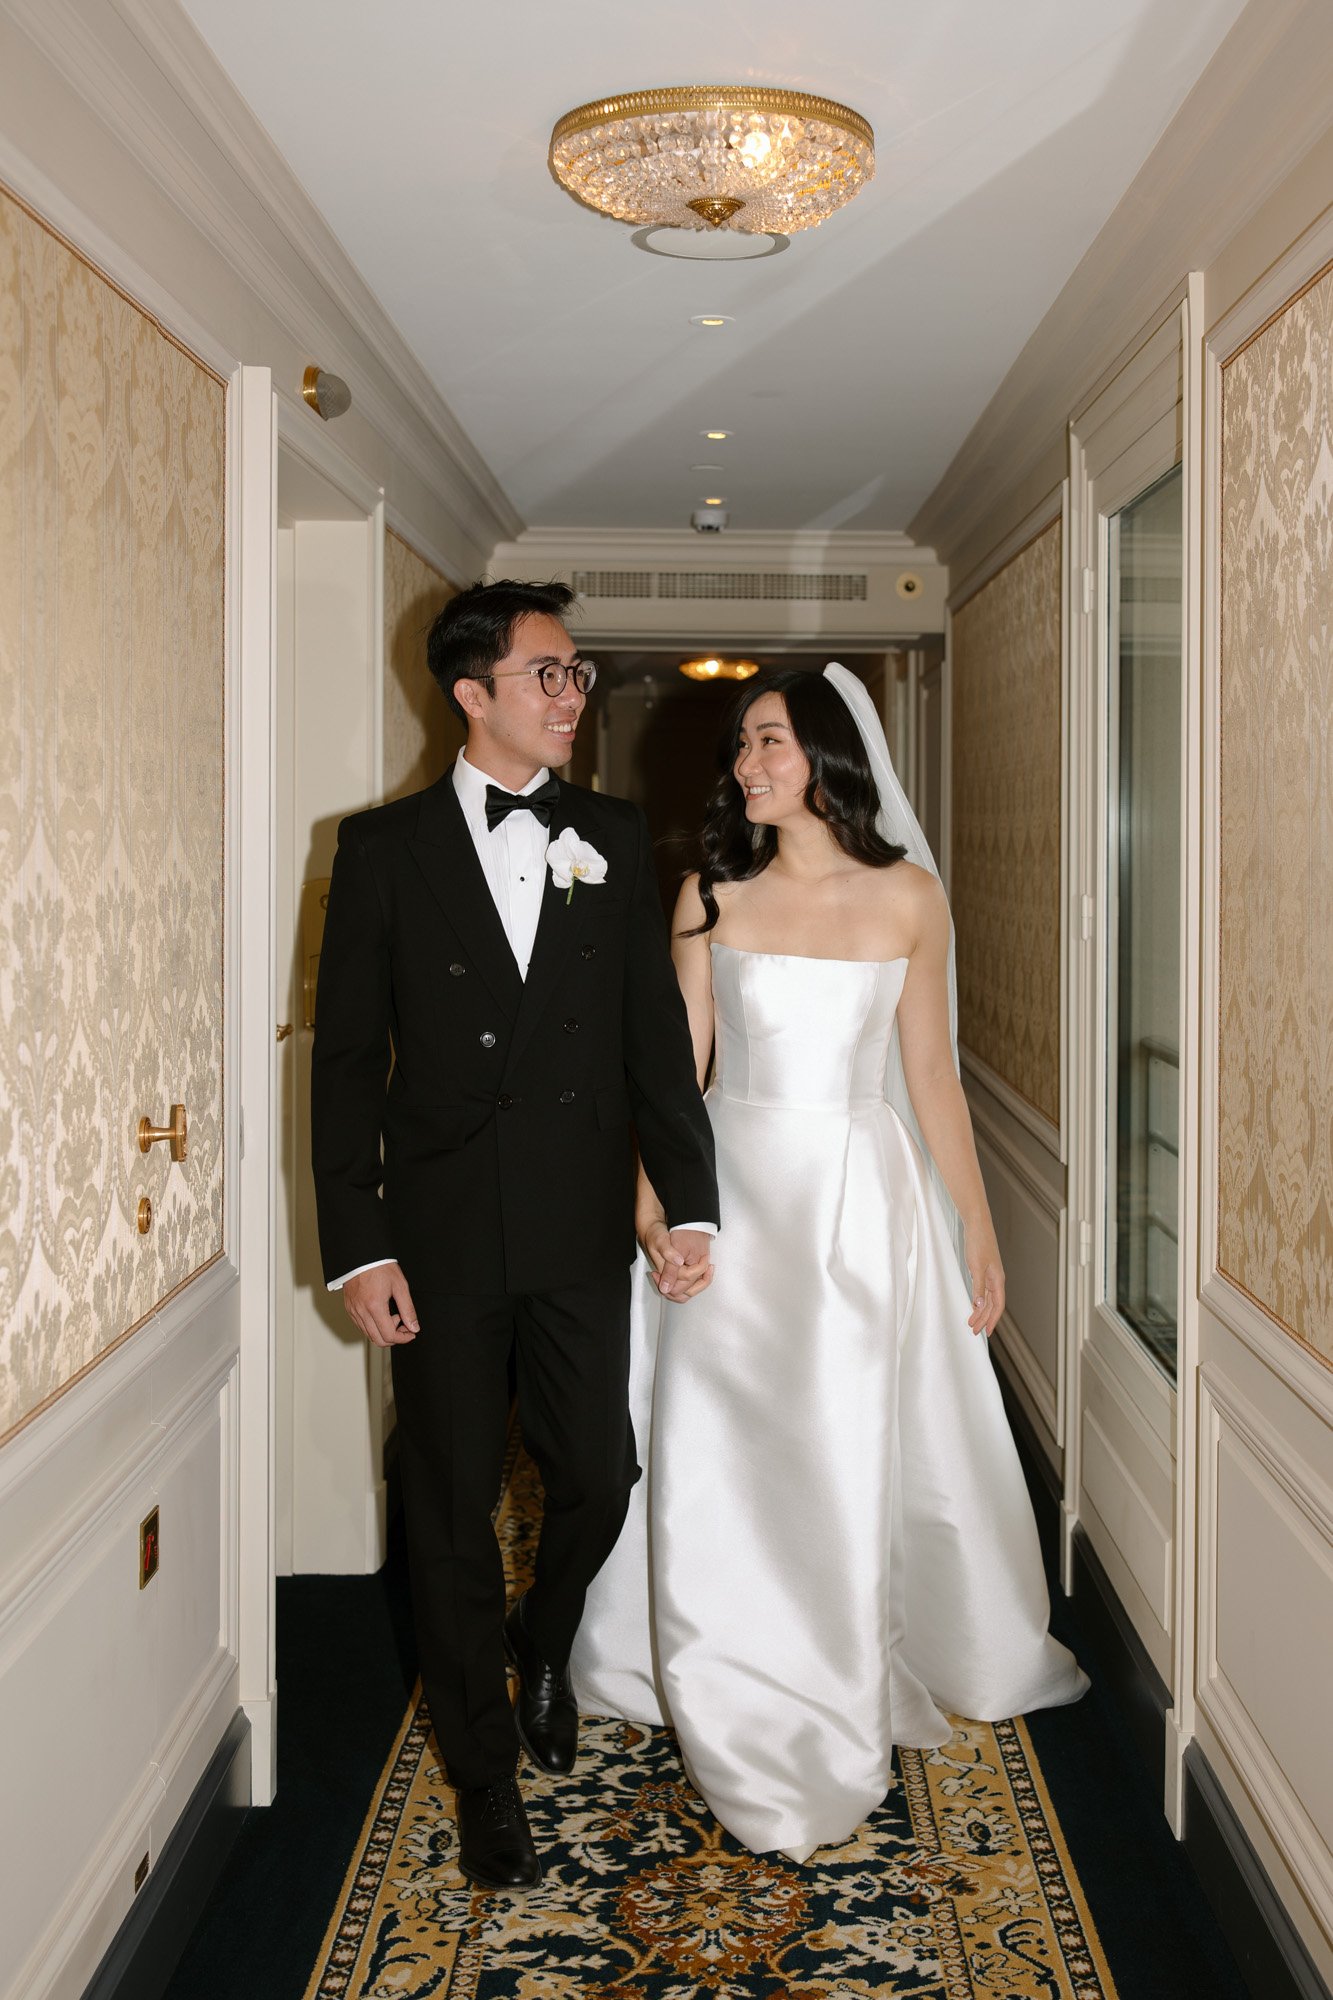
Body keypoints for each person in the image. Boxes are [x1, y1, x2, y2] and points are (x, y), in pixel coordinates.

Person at [572, 663, 1087, 1862]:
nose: (745, 764)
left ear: (828, 757)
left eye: (766, 742)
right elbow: (679, 1076)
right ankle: (720, 1666)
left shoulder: (910, 897)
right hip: (732, 1200)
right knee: (714, 1439)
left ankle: (836, 1676)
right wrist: (658, 1214)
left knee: (839, 1440)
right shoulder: (710, 892)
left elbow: (929, 1078)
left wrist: (978, 1224)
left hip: (858, 1207)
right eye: (741, 747)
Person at [310, 580, 719, 1891]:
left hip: (577, 1221)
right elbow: (345, 1064)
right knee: (444, 1503)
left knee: (599, 1474)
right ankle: (486, 1777)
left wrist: (689, 1199)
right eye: (547, 674)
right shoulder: (379, 850)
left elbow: (654, 1036)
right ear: (470, 693)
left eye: (578, 674)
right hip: (432, 1236)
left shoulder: (610, 832)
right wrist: (358, 1244)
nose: (571, 696)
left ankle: (546, 1636)